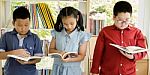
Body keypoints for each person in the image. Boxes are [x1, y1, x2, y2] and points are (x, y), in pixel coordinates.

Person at [90, 1, 147, 75]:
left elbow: (143, 51)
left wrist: (133, 56)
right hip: (108, 72)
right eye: (120, 20)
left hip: (129, 73)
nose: (123, 23)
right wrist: (94, 71)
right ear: (114, 17)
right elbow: (98, 53)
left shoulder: (137, 32)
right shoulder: (105, 32)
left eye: (127, 20)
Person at [0, 7, 43, 75]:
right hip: (10, 72)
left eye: (26, 25)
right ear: (13, 23)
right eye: (20, 25)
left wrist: (27, 62)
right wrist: (15, 52)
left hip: (30, 73)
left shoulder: (35, 38)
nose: (23, 28)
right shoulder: (6, 36)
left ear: (30, 22)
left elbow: (38, 59)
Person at [49, 6, 91, 75]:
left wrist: (69, 60)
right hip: (57, 69)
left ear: (77, 18)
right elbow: (50, 50)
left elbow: (82, 56)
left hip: (73, 70)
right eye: (65, 24)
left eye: (72, 23)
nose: (69, 26)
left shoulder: (82, 35)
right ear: (61, 21)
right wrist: (60, 52)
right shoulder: (56, 33)